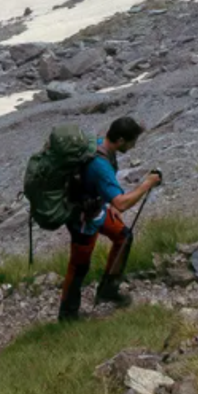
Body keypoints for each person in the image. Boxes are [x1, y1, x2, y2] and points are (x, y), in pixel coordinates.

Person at [59, 116, 162, 322]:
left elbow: (102, 190)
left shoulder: (100, 146)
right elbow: (122, 203)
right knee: (79, 265)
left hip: (97, 208)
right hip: (82, 218)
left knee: (123, 236)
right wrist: (147, 184)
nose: (134, 146)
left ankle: (108, 289)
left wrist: (109, 204)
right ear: (121, 140)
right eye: (132, 142)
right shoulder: (101, 165)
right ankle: (67, 315)